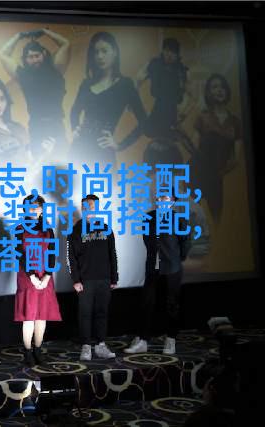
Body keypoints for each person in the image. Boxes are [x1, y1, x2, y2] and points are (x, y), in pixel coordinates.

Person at [125, 194, 191, 355]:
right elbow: (147, 240)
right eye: (159, 198)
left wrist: (176, 258)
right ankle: (143, 340)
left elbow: (185, 242)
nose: (162, 201)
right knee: (146, 303)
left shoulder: (179, 219)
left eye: (166, 199)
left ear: (173, 201)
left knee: (172, 304)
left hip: (172, 267)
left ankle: (171, 339)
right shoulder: (148, 217)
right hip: (152, 267)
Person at [69, 31, 146, 168]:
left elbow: (144, 122)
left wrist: (120, 145)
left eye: (104, 51)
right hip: (78, 150)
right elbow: (74, 111)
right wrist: (74, 128)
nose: (100, 56)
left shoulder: (125, 85)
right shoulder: (86, 84)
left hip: (103, 154)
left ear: (115, 52)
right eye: (96, 52)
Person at [0, 28, 70, 158]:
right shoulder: (23, 76)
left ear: (44, 54)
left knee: (61, 162)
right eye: (30, 57)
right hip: (37, 126)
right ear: (25, 59)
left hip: (56, 125)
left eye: (37, 56)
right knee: (39, 163)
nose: (35, 60)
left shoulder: (56, 71)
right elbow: (3, 54)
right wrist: (19, 35)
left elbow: (65, 44)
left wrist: (45, 32)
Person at [67, 194, 118, 361]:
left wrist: (114, 277)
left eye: (92, 207)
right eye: (85, 207)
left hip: (104, 278)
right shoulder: (75, 230)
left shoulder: (106, 228)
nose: (88, 210)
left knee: (102, 312)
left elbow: (112, 254)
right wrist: (76, 280)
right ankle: (86, 346)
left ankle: (101, 344)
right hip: (85, 280)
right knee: (85, 313)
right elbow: (71, 258)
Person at [186, 73, 243, 224]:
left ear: (227, 90)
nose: (219, 90)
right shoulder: (203, 117)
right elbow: (194, 146)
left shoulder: (235, 122)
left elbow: (236, 159)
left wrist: (219, 173)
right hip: (196, 172)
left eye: (222, 86)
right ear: (209, 92)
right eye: (214, 87)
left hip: (216, 177)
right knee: (192, 219)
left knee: (217, 219)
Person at [14, 194, 62, 367]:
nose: (34, 210)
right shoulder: (20, 229)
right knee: (29, 316)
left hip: (45, 277)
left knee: (42, 315)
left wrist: (47, 276)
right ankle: (27, 351)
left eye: (37, 206)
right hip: (27, 277)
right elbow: (20, 254)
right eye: (30, 206)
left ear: (42, 209)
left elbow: (52, 253)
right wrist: (33, 277)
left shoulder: (48, 229)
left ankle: (38, 349)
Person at [136, 38, 190, 139]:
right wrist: (136, 102)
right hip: (158, 107)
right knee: (148, 131)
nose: (169, 54)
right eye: (167, 50)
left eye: (173, 52)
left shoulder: (182, 70)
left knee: (174, 137)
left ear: (177, 54)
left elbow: (189, 93)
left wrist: (183, 112)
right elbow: (138, 80)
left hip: (173, 110)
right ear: (163, 51)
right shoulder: (154, 64)